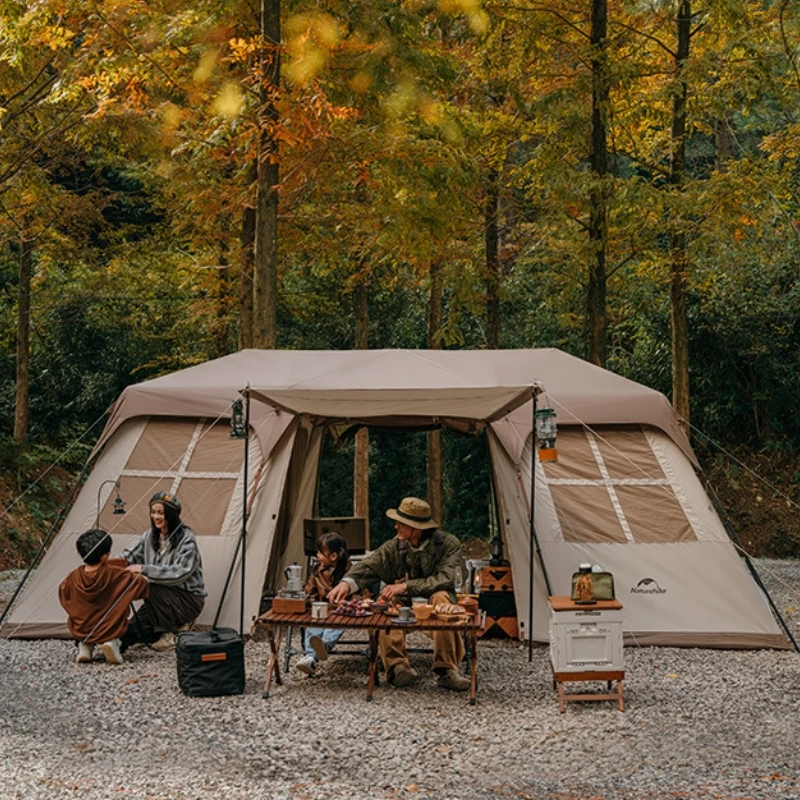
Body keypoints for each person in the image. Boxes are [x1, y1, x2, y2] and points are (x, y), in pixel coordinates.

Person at [327, 496, 471, 691]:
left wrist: (406, 586)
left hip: (435, 599)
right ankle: (397, 667)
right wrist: (346, 583)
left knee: (441, 597)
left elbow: (446, 578)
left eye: (401, 523)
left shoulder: (448, 544)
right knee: (386, 602)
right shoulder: (396, 545)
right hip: (404, 602)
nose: (396, 527)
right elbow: (370, 564)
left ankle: (447, 670)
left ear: (417, 528)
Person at [120, 491, 206, 652]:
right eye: (153, 512)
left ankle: (171, 633)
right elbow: (128, 556)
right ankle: (115, 646)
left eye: (161, 513)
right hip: (160, 600)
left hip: (188, 600)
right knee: (131, 630)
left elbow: (180, 573)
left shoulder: (187, 539)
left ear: (171, 514)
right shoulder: (149, 536)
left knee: (148, 585)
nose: (156, 517)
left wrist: (144, 569)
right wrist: (106, 565)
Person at [58, 528, 150, 665]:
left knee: (86, 626)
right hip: (110, 629)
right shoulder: (116, 574)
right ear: (105, 556)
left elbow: (63, 595)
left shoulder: (72, 577)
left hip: (82, 629)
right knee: (129, 627)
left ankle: (85, 646)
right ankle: (114, 643)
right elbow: (142, 584)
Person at [295, 531, 351, 675]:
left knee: (335, 625)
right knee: (313, 626)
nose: (317, 556)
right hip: (321, 609)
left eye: (320, 553)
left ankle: (323, 646)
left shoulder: (350, 571)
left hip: (341, 611)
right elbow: (310, 591)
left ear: (333, 556)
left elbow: (360, 592)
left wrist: (349, 602)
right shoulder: (317, 571)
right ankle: (310, 658)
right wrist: (311, 602)